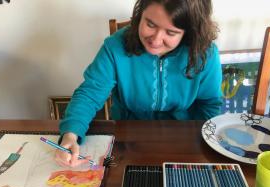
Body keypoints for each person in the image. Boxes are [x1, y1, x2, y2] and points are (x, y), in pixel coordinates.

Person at [55, 0, 223, 167]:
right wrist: (71, 133)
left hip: (184, 144)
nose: (156, 41)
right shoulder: (114, 46)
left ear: (189, 33)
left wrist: (199, 151)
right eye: (150, 24)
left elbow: (209, 105)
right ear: (139, 15)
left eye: (171, 33)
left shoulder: (205, 54)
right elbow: (90, 94)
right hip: (126, 141)